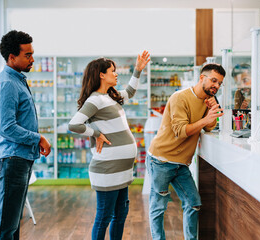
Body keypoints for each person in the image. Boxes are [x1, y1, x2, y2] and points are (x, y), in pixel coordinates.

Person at [68, 51, 150, 240]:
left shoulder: (110, 96)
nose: (116, 73)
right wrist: (96, 133)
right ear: (101, 75)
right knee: (104, 217)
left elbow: (129, 92)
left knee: (120, 215)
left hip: (120, 170)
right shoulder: (95, 99)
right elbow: (74, 124)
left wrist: (137, 70)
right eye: (112, 71)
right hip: (108, 170)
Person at [146, 63, 225, 240]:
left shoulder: (206, 100)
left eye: (219, 83)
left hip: (181, 164)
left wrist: (212, 110)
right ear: (202, 78)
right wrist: (206, 119)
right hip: (161, 160)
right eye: (213, 80)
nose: (216, 86)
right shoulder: (179, 98)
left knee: (193, 203)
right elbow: (180, 131)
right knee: (159, 207)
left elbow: (209, 128)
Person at [0, 30, 51, 240]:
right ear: (12, 57)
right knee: (6, 224)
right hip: (11, 159)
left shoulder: (17, 80)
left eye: (32, 54)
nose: (32, 59)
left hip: (19, 158)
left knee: (13, 224)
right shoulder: (7, 83)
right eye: (28, 55)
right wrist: (38, 138)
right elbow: (6, 127)